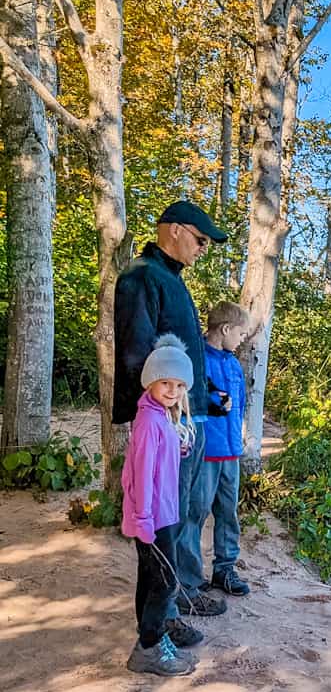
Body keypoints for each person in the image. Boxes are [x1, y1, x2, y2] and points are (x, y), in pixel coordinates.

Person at [114, 200, 230, 649]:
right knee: (164, 523)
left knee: (182, 515)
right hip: (168, 424)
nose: (203, 248)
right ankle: (158, 623)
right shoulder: (143, 277)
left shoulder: (170, 280)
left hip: (189, 416)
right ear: (175, 230)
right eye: (201, 240)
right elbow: (136, 355)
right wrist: (153, 416)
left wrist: (207, 400)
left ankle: (178, 596)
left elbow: (180, 357)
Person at [122, 335, 198, 677]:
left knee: (150, 579)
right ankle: (148, 649)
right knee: (165, 582)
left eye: (180, 385)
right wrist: (142, 520)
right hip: (153, 517)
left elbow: (159, 461)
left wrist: (178, 449)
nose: (173, 391)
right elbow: (139, 473)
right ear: (151, 380)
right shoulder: (149, 421)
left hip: (162, 512)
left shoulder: (162, 417)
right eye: (166, 382)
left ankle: (149, 638)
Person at [194, 301, 252, 596]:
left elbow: (237, 406)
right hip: (205, 453)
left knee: (228, 513)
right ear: (226, 329)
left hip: (231, 452)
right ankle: (189, 575)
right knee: (197, 512)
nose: (243, 339)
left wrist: (240, 436)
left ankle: (225, 569)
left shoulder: (233, 362)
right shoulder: (197, 359)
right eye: (241, 333)